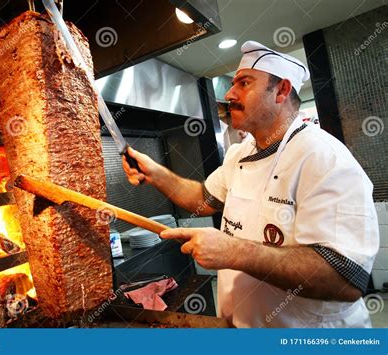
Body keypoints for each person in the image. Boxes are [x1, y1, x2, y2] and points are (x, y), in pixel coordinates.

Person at [122, 41, 379, 328]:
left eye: (244, 83)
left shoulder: (323, 158)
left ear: (281, 90)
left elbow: (345, 278)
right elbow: (204, 199)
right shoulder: (240, 153)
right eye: (233, 84)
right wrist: (155, 172)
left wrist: (234, 251)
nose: (230, 94)